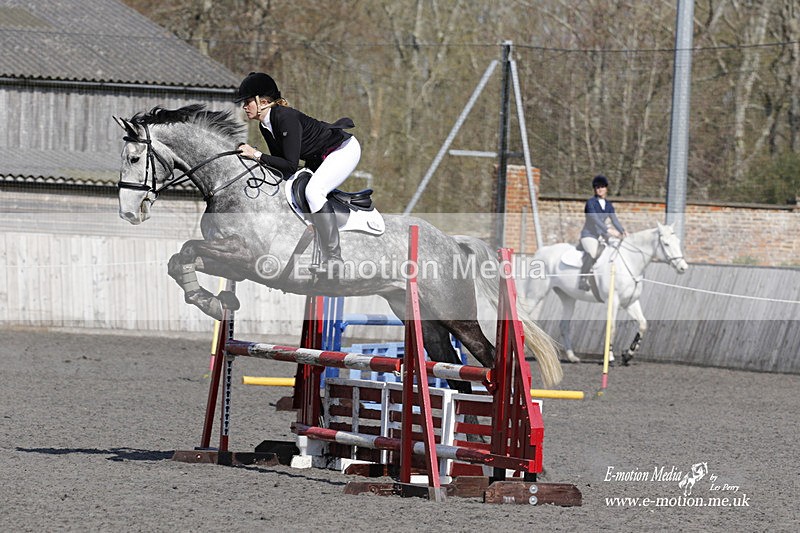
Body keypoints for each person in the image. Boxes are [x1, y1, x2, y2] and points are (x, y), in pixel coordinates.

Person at [235, 72, 360, 274]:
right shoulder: (265, 125)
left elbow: (290, 165)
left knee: (313, 192)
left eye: (248, 101)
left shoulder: (285, 117)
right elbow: (281, 168)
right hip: (318, 157)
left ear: (263, 102)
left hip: (342, 150)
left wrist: (256, 154)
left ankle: (334, 259)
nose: (244, 106)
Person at [578, 175, 627, 290]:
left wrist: (623, 231)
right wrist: (608, 230)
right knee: (593, 253)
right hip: (589, 235)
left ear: (606, 188)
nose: (599, 189)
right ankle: (582, 279)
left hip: (601, 235)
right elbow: (594, 219)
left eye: (602, 187)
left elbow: (615, 220)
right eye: (597, 187)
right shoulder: (590, 203)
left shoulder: (609, 205)